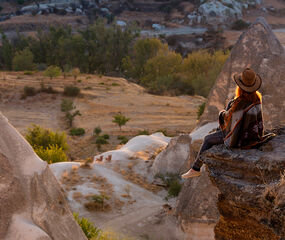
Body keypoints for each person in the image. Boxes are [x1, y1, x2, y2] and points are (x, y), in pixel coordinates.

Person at [182, 68, 266, 178]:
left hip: (241, 139)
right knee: (230, 105)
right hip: (254, 136)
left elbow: (230, 121)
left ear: (240, 86)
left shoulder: (240, 103)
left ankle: (195, 169)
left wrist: (222, 114)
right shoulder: (257, 99)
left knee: (208, 139)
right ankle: (196, 167)